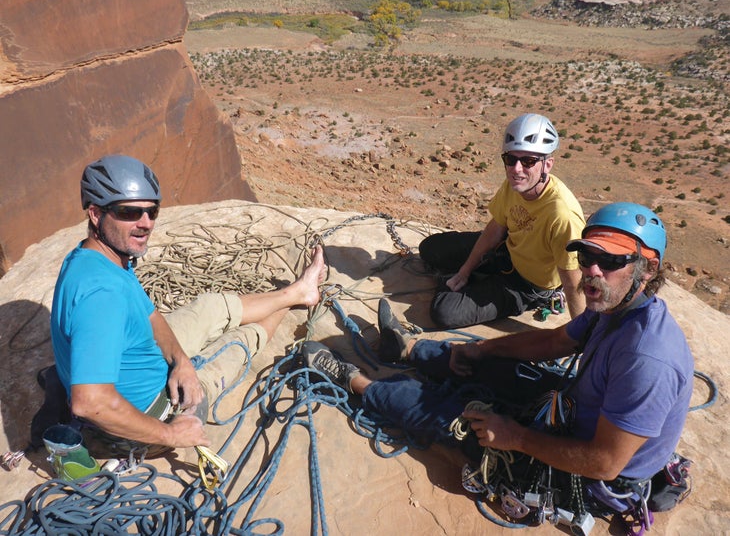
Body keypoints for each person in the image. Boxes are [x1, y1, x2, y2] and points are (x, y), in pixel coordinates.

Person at [303, 202, 693, 511]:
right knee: (496, 362)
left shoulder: (647, 359)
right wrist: (480, 349)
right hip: (576, 411)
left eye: (609, 262)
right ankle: (407, 349)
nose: (591, 270)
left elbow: (604, 463)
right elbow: (553, 343)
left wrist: (515, 437)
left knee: (451, 418)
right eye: (586, 256)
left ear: (647, 269)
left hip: (590, 474)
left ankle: (355, 381)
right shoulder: (612, 307)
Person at [50, 154, 326, 453]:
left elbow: (150, 315)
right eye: (129, 212)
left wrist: (181, 362)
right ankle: (288, 304)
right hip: (153, 416)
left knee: (210, 307)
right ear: (95, 214)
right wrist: (172, 435)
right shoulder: (101, 295)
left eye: (151, 212)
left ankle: (299, 292)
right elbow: (90, 402)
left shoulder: (103, 258)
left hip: (143, 360)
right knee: (240, 341)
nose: (145, 224)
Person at [419, 113, 586, 328]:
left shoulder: (562, 216)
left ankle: (481, 287)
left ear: (547, 164)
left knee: (444, 313)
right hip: (505, 253)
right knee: (430, 248)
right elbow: (494, 229)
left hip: (526, 285)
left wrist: (583, 337)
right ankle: (475, 280)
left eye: (528, 161)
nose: (516, 169)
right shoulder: (515, 185)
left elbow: (573, 280)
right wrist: (464, 272)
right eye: (511, 159)